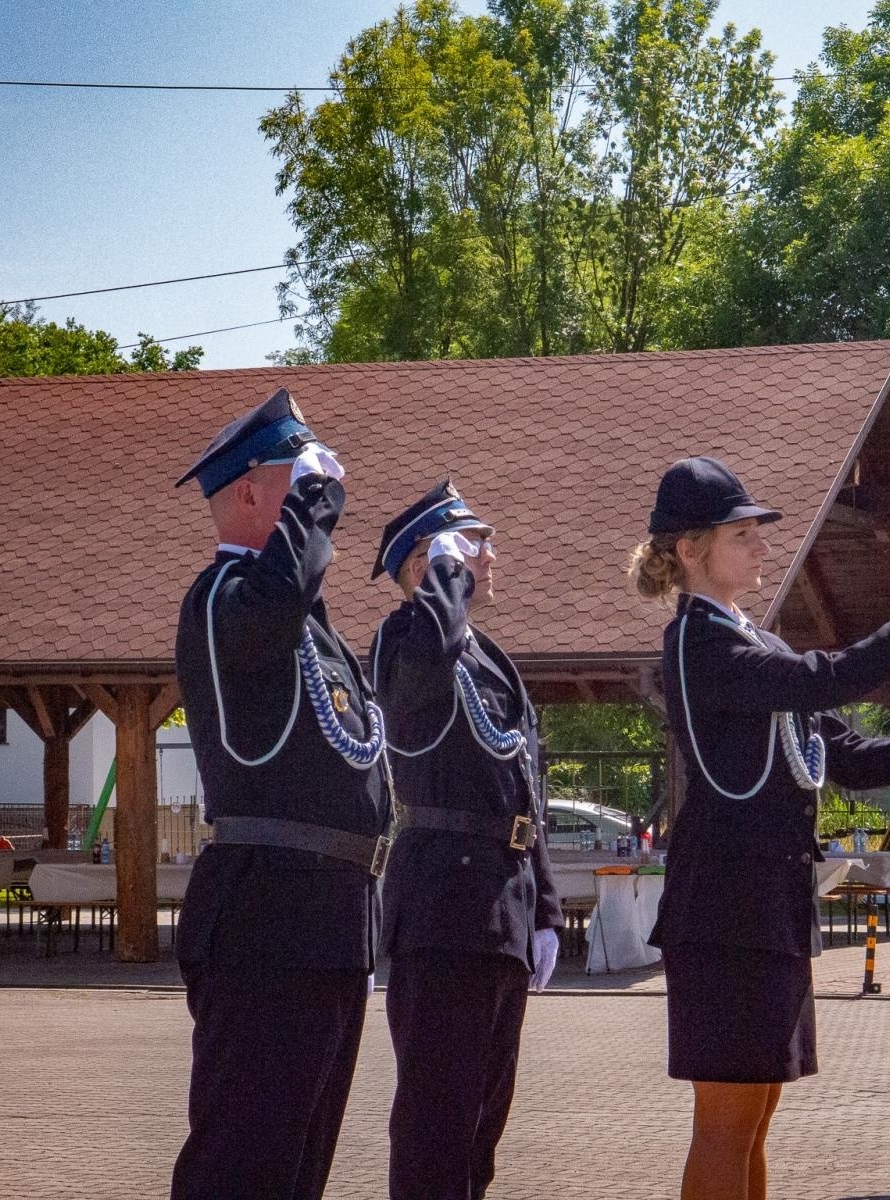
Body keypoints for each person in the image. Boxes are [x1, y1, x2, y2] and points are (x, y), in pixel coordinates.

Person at [628, 455, 890, 1200]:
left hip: (765, 905)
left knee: (757, 1111)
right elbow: (832, 679)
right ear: (690, 550)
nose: (762, 545)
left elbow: (843, 757)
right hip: (724, 911)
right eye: (742, 533)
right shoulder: (700, 642)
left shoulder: (755, 642)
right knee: (726, 1119)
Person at [169, 387, 393, 1200]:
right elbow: (273, 603)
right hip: (266, 916)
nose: (316, 487)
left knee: (300, 1168)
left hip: (329, 919)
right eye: (294, 473)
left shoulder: (311, 625)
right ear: (252, 492)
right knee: (243, 1165)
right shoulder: (225, 597)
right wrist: (319, 500)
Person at [369, 480, 564, 1200]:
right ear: (426, 564)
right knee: (435, 1120)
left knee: (483, 1119)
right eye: (472, 543)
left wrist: (544, 908)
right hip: (444, 906)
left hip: (500, 908)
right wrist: (443, 578)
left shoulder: (493, 660)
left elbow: (525, 794)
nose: (490, 553)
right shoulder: (406, 638)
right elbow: (425, 665)